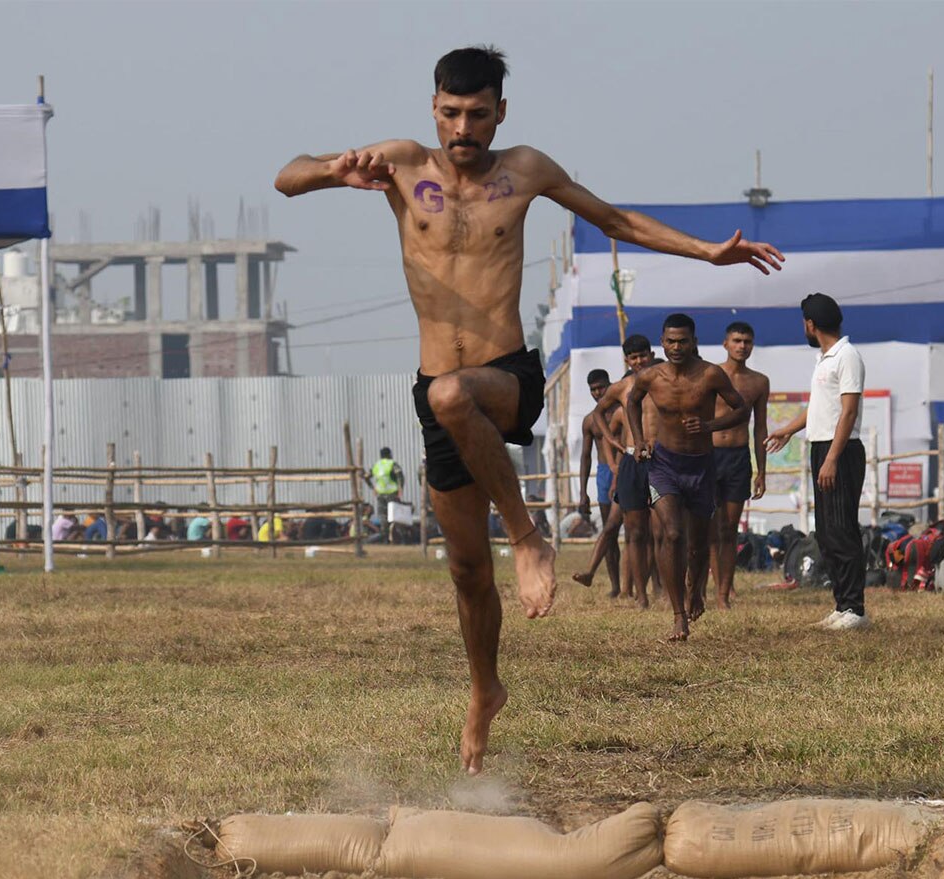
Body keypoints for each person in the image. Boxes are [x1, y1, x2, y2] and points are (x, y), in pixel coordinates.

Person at [274, 45, 782, 771]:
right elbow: (286, 178)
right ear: (433, 109)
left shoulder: (526, 170)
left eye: (478, 115)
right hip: (437, 389)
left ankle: (530, 537)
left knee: (458, 398)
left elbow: (614, 218)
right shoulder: (402, 163)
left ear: (500, 113)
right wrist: (332, 170)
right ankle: (486, 690)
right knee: (465, 571)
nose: (463, 128)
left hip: (503, 375)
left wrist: (705, 252)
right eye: (451, 113)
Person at [628, 314, 750, 641]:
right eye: (670, 341)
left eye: (683, 341)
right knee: (672, 534)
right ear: (662, 342)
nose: (676, 347)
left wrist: (710, 426)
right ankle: (678, 614)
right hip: (664, 463)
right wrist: (639, 440)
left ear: (694, 341)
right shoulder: (651, 376)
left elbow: (742, 409)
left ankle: (696, 590)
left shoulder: (711, 374)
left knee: (698, 545)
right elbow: (631, 402)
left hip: (701, 464)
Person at [766, 294, 868, 631]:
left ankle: (855, 609)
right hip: (822, 448)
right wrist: (788, 430)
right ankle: (842, 605)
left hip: (841, 451)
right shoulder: (824, 359)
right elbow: (820, 408)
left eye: (804, 323)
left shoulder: (847, 356)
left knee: (842, 530)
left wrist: (833, 459)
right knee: (826, 532)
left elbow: (848, 411)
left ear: (811, 324)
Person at [585, 335, 661, 607]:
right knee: (635, 532)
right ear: (627, 361)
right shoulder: (621, 388)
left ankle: (669, 589)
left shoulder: (663, 382)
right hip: (632, 460)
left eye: (643, 355)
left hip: (662, 459)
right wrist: (614, 441)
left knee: (667, 531)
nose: (639, 361)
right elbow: (597, 415)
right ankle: (641, 596)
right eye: (634, 357)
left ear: (651, 354)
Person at [710, 321, 769, 609]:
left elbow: (760, 428)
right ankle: (717, 583)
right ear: (725, 344)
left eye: (747, 341)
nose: (742, 346)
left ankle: (724, 592)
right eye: (736, 340)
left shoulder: (759, 381)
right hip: (709, 455)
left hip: (737, 456)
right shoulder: (711, 374)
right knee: (710, 526)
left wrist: (762, 470)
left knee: (730, 528)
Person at [573, 369, 621, 596]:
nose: (597, 392)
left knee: (638, 531)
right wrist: (583, 492)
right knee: (609, 532)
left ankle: (644, 584)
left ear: (610, 385)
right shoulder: (590, 420)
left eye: (601, 387)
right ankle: (616, 586)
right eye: (593, 389)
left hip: (625, 468)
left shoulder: (623, 411)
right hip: (603, 473)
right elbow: (585, 456)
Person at [367, 446, 405, 536]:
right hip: (392, 493)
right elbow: (400, 476)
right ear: (389, 454)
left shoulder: (376, 465)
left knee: (382, 515)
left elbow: (366, 476)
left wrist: (372, 487)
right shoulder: (392, 464)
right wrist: (400, 489)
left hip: (380, 494)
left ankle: (385, 536)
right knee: (395, 515)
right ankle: (397, 535)